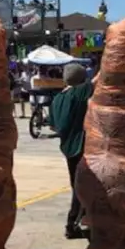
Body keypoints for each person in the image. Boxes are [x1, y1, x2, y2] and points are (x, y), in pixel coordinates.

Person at [50, 63, 94, 239]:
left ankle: (77, 221)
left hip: (67, 147)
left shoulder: (57, 99)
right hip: (82, 146)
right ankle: (75, 223)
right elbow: (96, 83)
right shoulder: (80, 92)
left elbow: (54, 126)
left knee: (76, 186)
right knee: (85, 187)